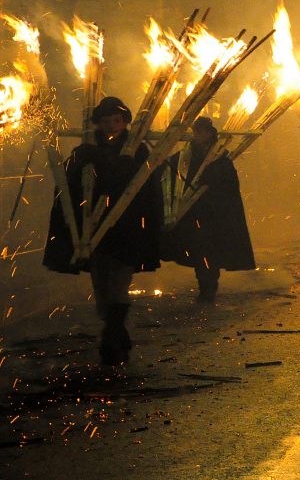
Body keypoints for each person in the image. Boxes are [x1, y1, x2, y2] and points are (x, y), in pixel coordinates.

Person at [42, 96, 162, 365]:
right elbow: (69, 186)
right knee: (101, 291)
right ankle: (117, 334)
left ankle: (111, 339)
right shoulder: (86, 149)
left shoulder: (136, 150)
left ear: (124, 122)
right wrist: (83, 161)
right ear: (98, 123)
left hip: (126, 229)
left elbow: (146, 189)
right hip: (92, 231)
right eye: (106, 121)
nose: (111, 126)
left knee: (119, 285)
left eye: (116, 121)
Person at [162, 117, 255, 304]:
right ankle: (205, 288)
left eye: (203, 132)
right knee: (199, 252)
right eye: (196, 132)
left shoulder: (220, 158)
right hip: (194, 213)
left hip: (216, 215)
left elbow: (228, 185)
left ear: (210, 133)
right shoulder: (187, 155)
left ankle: (209, 290)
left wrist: (211, 185)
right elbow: (173, 168)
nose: (199, 136)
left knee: (210, 253)